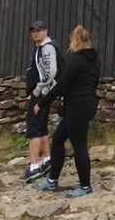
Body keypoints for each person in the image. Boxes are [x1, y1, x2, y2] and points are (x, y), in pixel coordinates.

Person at [35, 24, 101, 197]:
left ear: (76, 40)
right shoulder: (96, 60)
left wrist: (42, 103)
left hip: (77, 105)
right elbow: (93, 83)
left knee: (79, 145)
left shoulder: (77, 58)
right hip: (88, 102)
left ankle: (85, 187)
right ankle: (52, 180)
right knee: (57, 139)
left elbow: (63, 84)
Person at [22, 20, 63, 181]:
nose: (35, 33)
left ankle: (34, 167)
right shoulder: (43, 48)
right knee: (41, 126)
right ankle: (48, 159)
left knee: (34, 127)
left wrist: (39, 88)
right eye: (33, 31)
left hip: (42, 93)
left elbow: (50, 70)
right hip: (46, 93)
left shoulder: (46, 48)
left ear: (46, 31)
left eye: (39, 30)